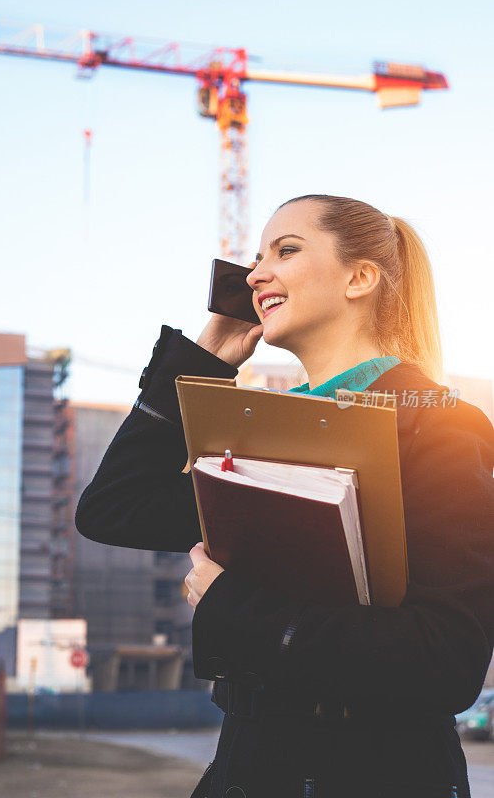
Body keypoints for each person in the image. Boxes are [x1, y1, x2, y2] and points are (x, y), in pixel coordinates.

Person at [75, 195, 494, 798]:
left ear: (360, 277)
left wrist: (229, 605)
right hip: (248, 764)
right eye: (255, 260)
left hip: (375, 773)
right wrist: (201, 362)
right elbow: (114, 509)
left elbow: (447, 659)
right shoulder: (261, 429)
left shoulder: (438, 425)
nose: (254, 275)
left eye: (286, 251)